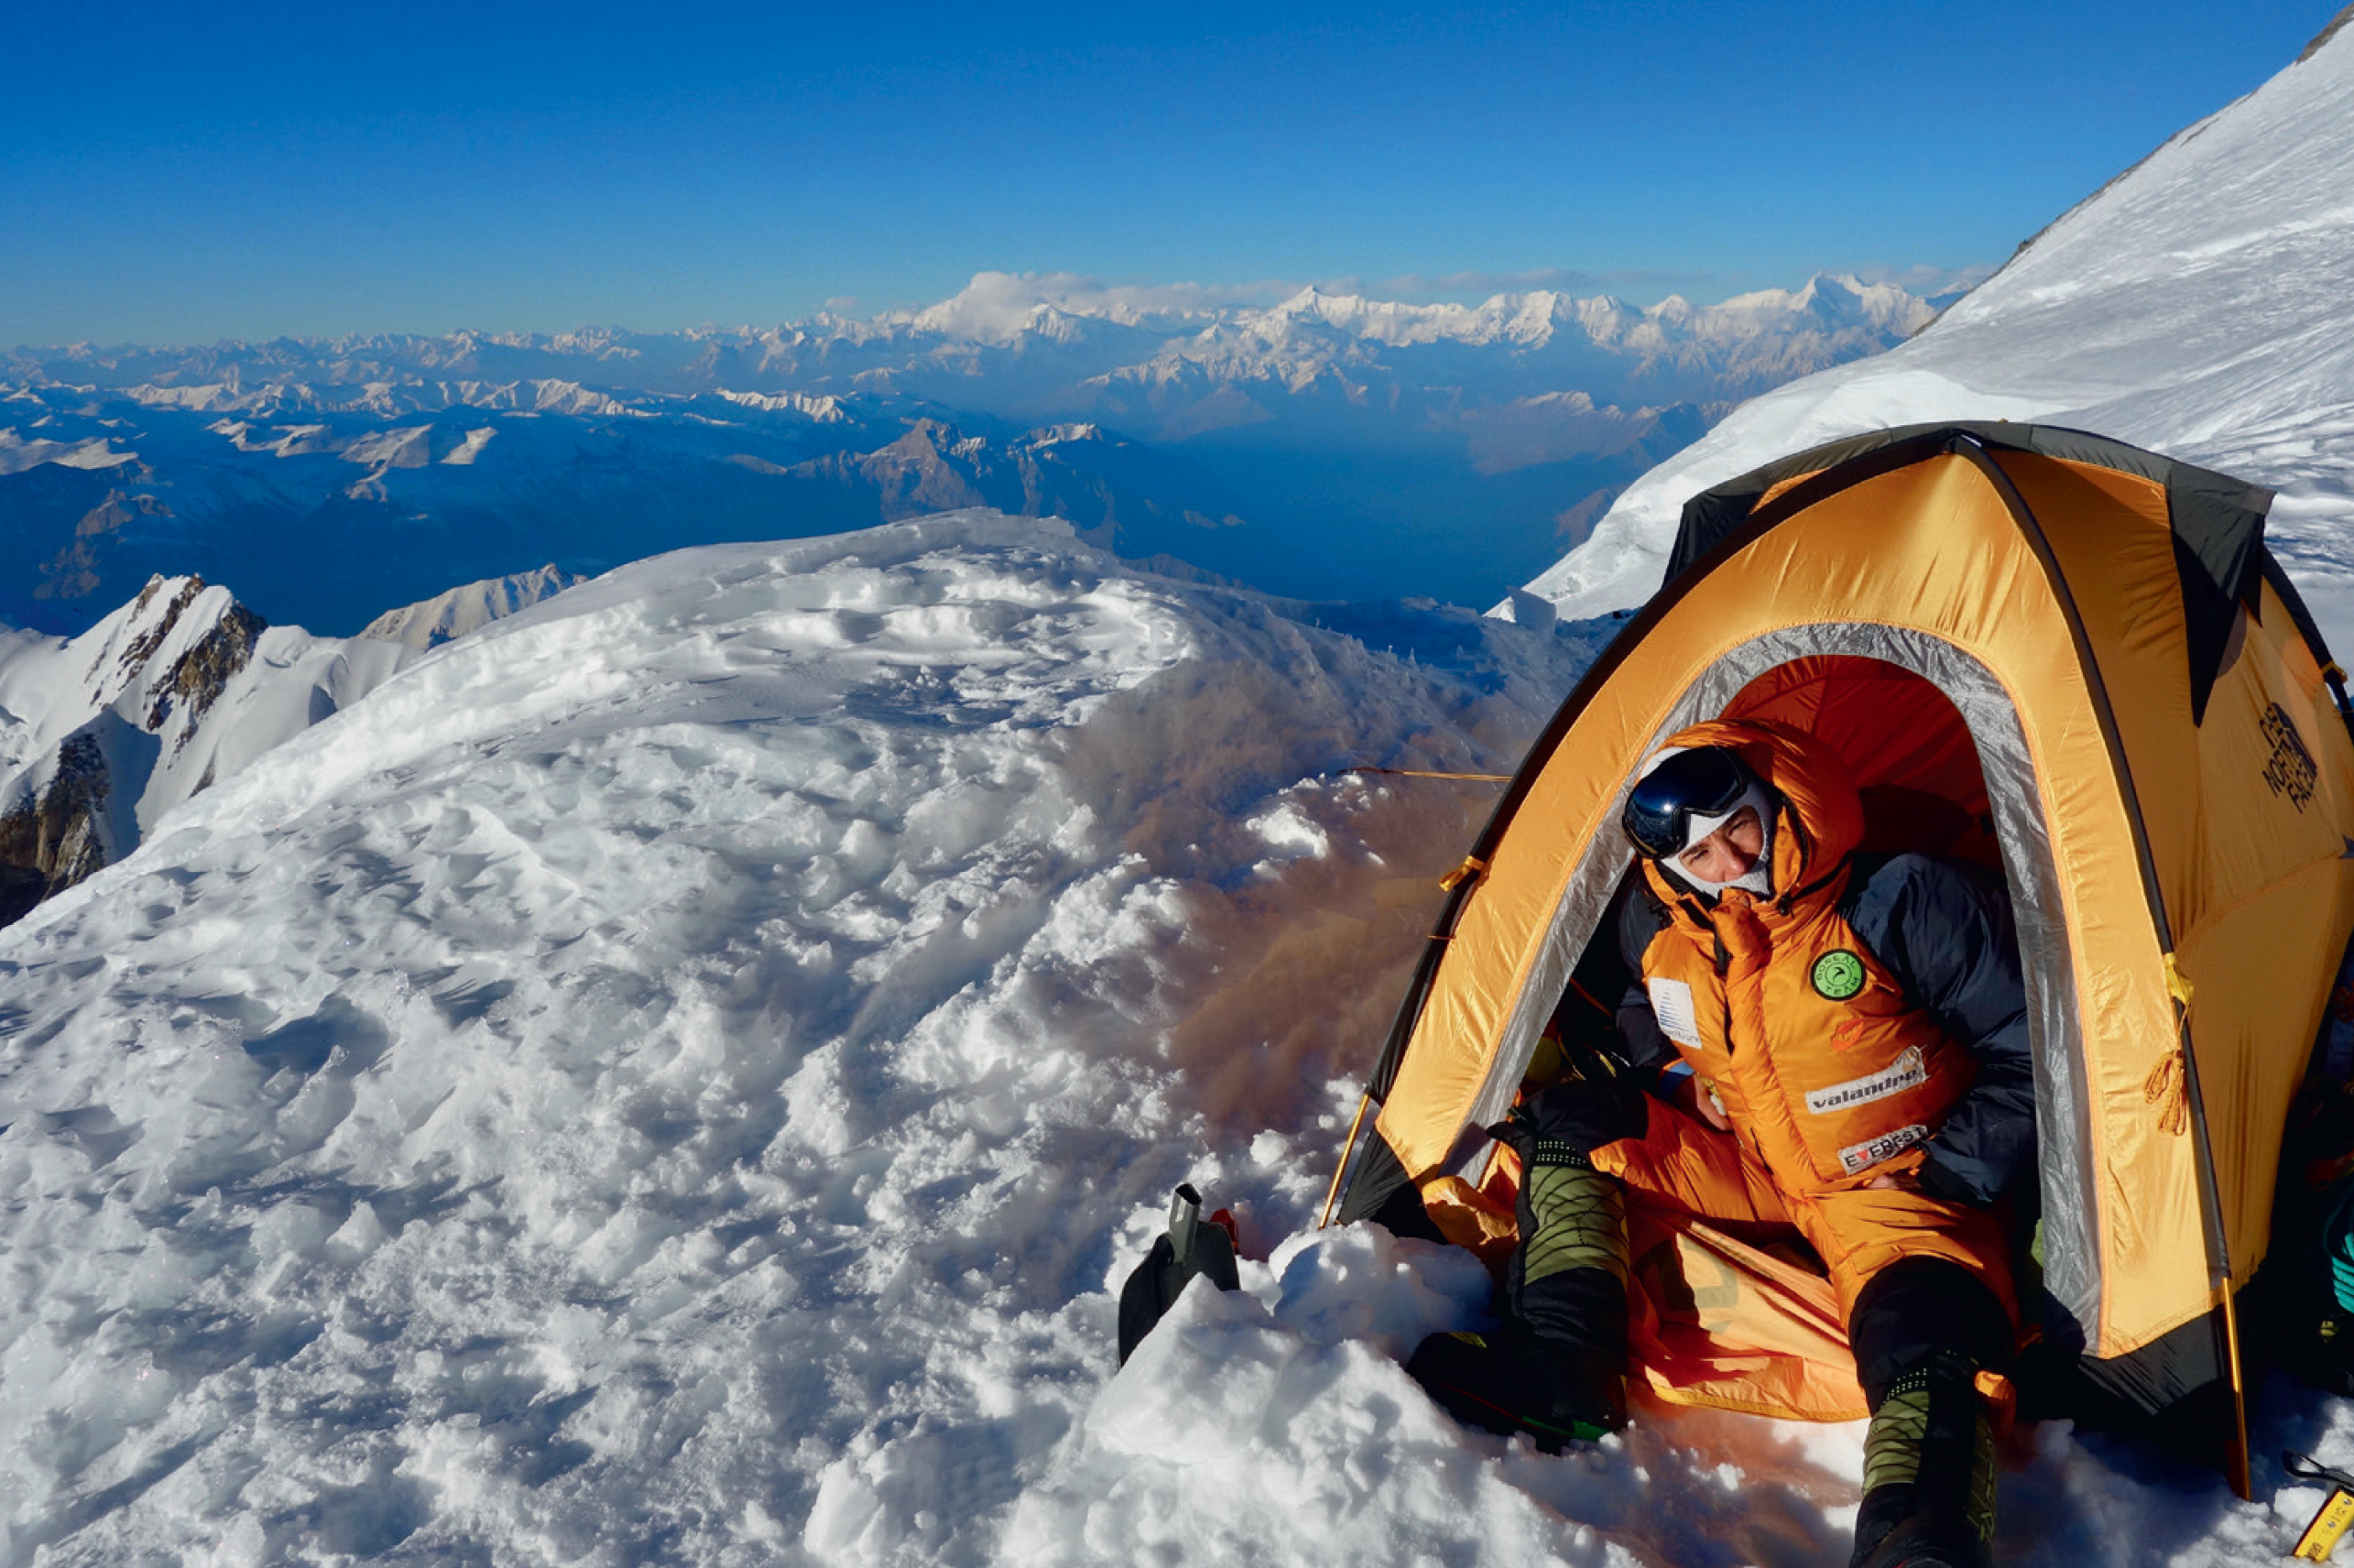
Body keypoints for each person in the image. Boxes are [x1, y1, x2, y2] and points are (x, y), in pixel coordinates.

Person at [1410, 717, 2033, 1568]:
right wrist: (1672, 1079)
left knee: (1924, 1329)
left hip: (1895, 1187)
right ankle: (1565, 1363)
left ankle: (1918, 1537)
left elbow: (2037, 1048)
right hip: (1756, 1164)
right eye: (1698, 858)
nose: (1730, 866)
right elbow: (1642, 1010)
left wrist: (1956, 1176)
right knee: (1572, 1127)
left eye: (1739, 831)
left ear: (1780, 804)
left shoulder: (1904, 901)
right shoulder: (1670, 940)